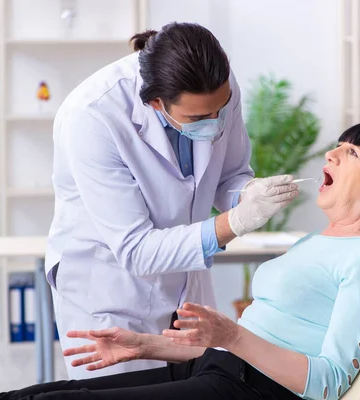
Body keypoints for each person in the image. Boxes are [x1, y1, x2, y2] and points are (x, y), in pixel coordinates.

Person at [0, 121, 360, 400]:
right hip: (215, 371)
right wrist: (144, 346)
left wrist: (232, 335)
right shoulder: (317, 242)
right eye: (337, 147)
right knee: (31, 397)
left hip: (250, 395)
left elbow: (328, 383)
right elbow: (239, 344)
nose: (332, 154)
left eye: (349, 152)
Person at [45, 21, 300, 379]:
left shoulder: (219, 89)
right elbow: (135, 249)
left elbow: (228, 176)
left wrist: (246, 194)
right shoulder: (92, 117)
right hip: (110, 287)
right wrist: (236, 222)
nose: (214, 123)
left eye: (220, 111)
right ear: (155, 102)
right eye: (197, 119)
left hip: (186, 281)